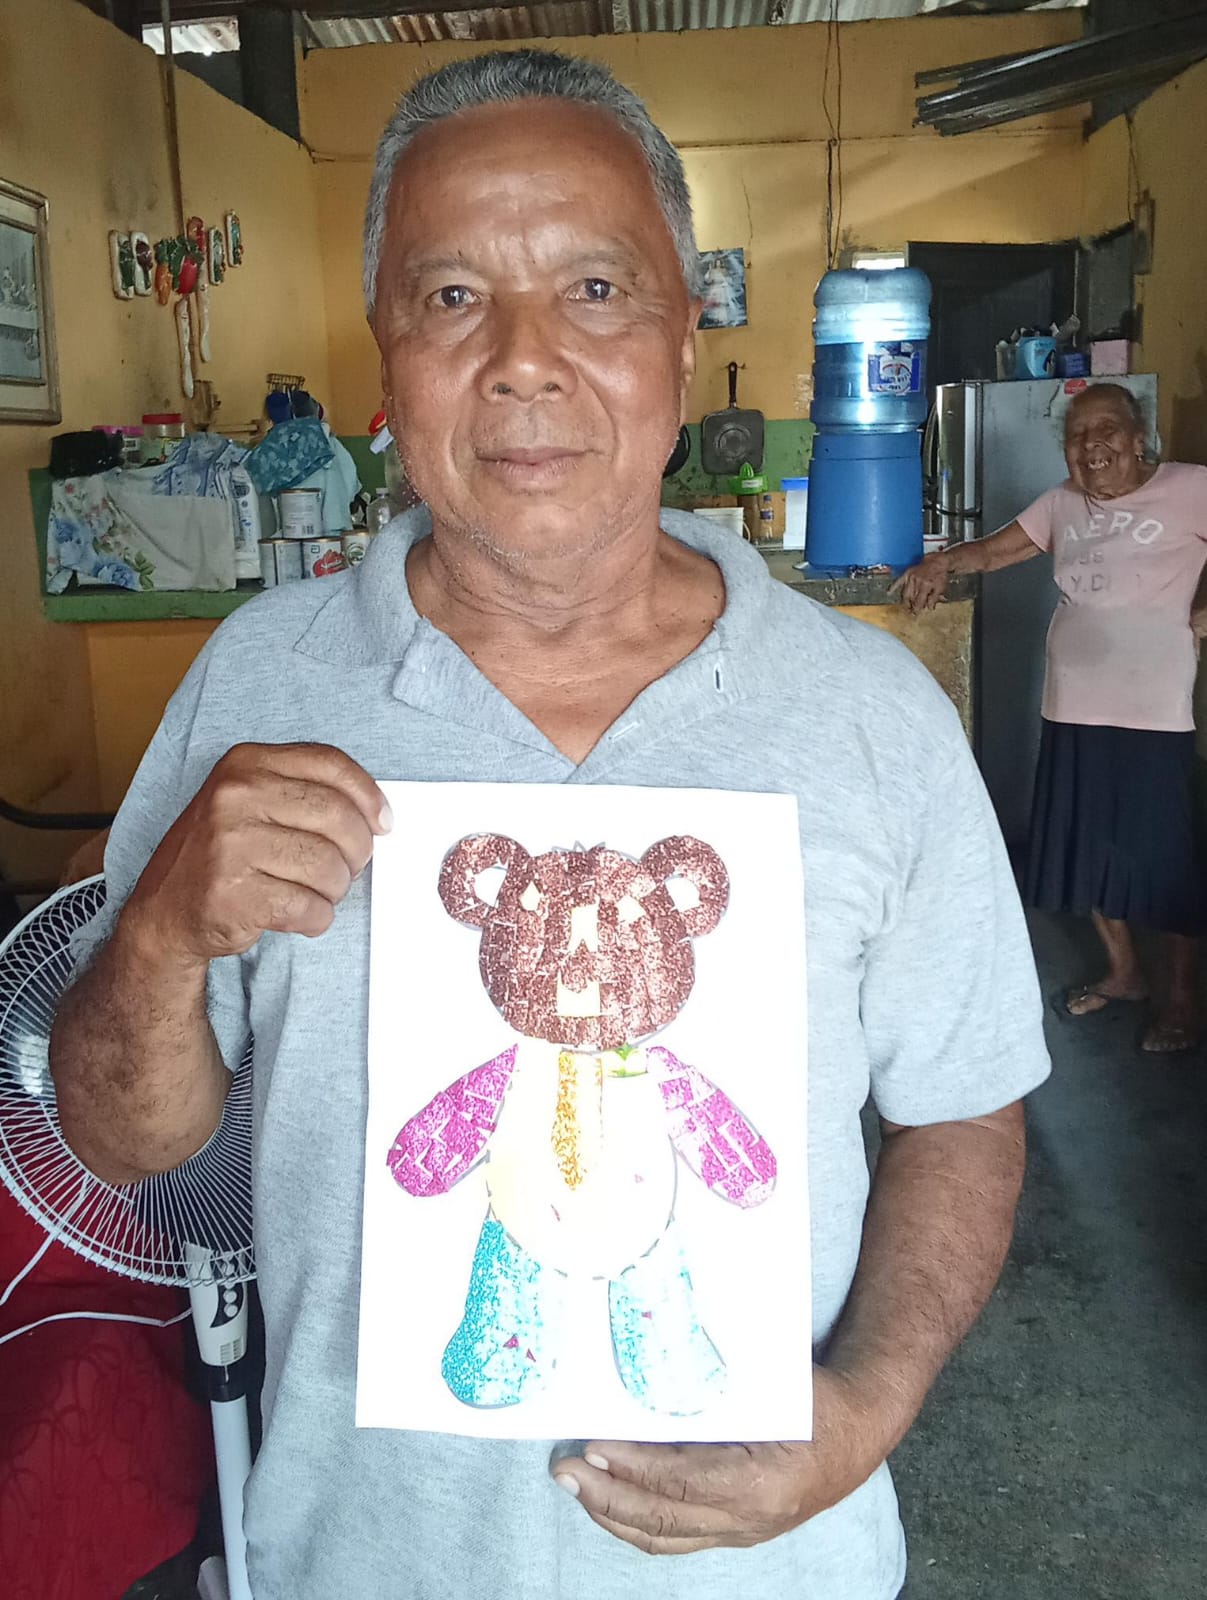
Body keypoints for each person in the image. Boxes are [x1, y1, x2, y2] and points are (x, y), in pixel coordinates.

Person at [49, 49, 1049, 1600]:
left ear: (683, 335)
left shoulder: (869, 715)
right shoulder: (256, 683)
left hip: (770, 1573)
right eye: (452, 298)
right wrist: (161, 936)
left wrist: (860, 1410)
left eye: (592, 288)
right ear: (387, 347)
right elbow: (125, 1141)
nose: (522, 361)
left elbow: (962, 1110)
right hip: (365, 1560)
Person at [897, 383, 1207, 1054]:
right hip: (1071, 705)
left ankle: (1183, 1002)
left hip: (1155, 712)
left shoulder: (1190, 487)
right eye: (1076, 436)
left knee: (1164, 859)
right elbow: (995, 550)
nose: (1091, 446)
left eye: (1106, 430)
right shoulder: (1062, 503)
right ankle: (1124, 974)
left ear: (1138, 438)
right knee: (1086, 847)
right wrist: (941, 562)